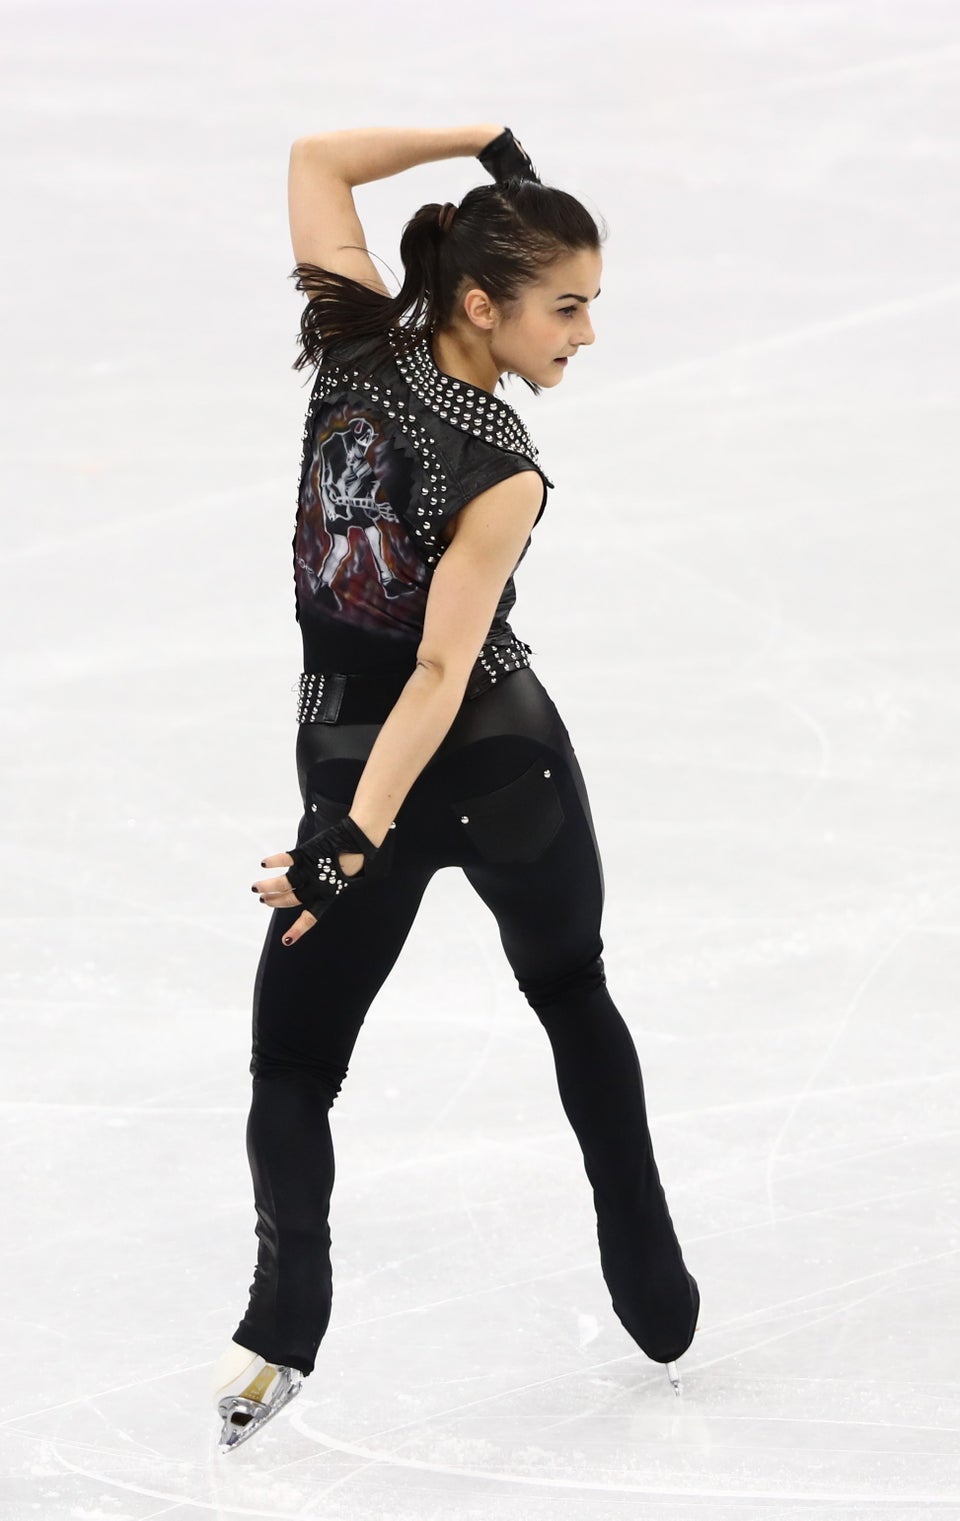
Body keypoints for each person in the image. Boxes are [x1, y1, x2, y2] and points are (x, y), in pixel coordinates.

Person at [212, 124, 700, 1451]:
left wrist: (349, 838)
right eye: (569, 303)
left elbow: (433, 668)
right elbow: (438, 669)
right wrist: (480, 138)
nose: (588, 331)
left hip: (401, 764)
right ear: (483, 305)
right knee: (564, 991)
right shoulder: (496, 457)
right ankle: (644, 1271)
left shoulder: (364, 342)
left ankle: (279, 1332)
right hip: (488, 763)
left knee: (301, 1062)